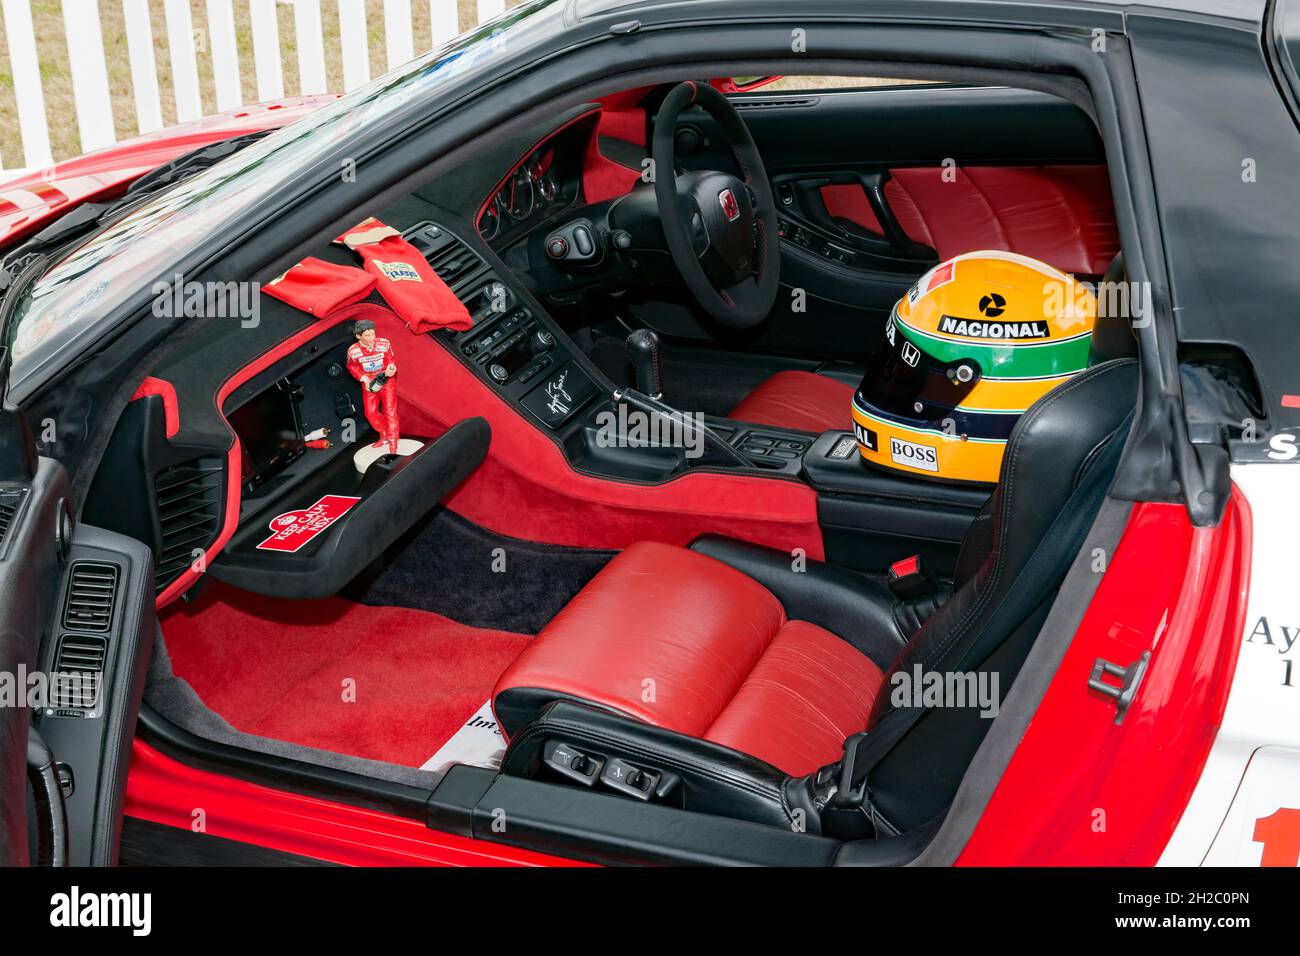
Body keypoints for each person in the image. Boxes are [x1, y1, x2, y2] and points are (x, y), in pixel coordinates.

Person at [345, 318, 400, 454]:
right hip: (369, 382)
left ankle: (393, 441)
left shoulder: (384, 344)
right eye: (368, 335)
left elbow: (391, 360)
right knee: (370, 413)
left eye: (373, 334)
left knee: (390, 411)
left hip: (386, 379)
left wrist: (391, 369)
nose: (372, 338)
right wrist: (364, 379)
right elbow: (352, 367)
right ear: (358, 336)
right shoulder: (353, 351)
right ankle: (384, 433)